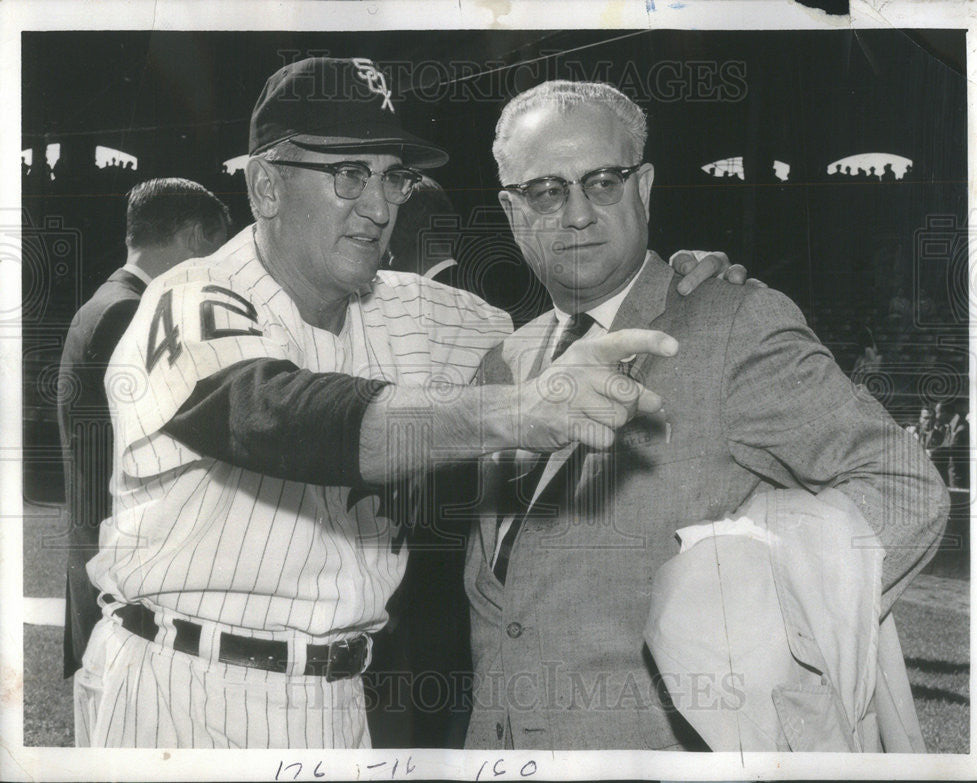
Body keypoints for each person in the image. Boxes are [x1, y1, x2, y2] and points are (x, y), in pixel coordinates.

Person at [76, 57, 737, 750]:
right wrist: (518, 410)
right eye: (348, 174)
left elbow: (566, 336)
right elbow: (277, 414)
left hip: (338, 702)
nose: (380, 205)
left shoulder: (416, 311)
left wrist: (676, 284)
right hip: (183, 687)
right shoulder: (191, 297)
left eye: (393, 176)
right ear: (265, 185)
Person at [462, 80, 950, 751]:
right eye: (546, 190)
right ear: (511, 210)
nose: (576, 212)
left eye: (604, 181)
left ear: (647, 187)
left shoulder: (733, 324)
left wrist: (754, 619)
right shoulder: (502, 365)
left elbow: (906, 487)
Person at [57, 178, 229, 691]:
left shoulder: (107, 301)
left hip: (104, 567)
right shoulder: (131, 313)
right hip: (124, 586)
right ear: (197, 236)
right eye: (217, 248)